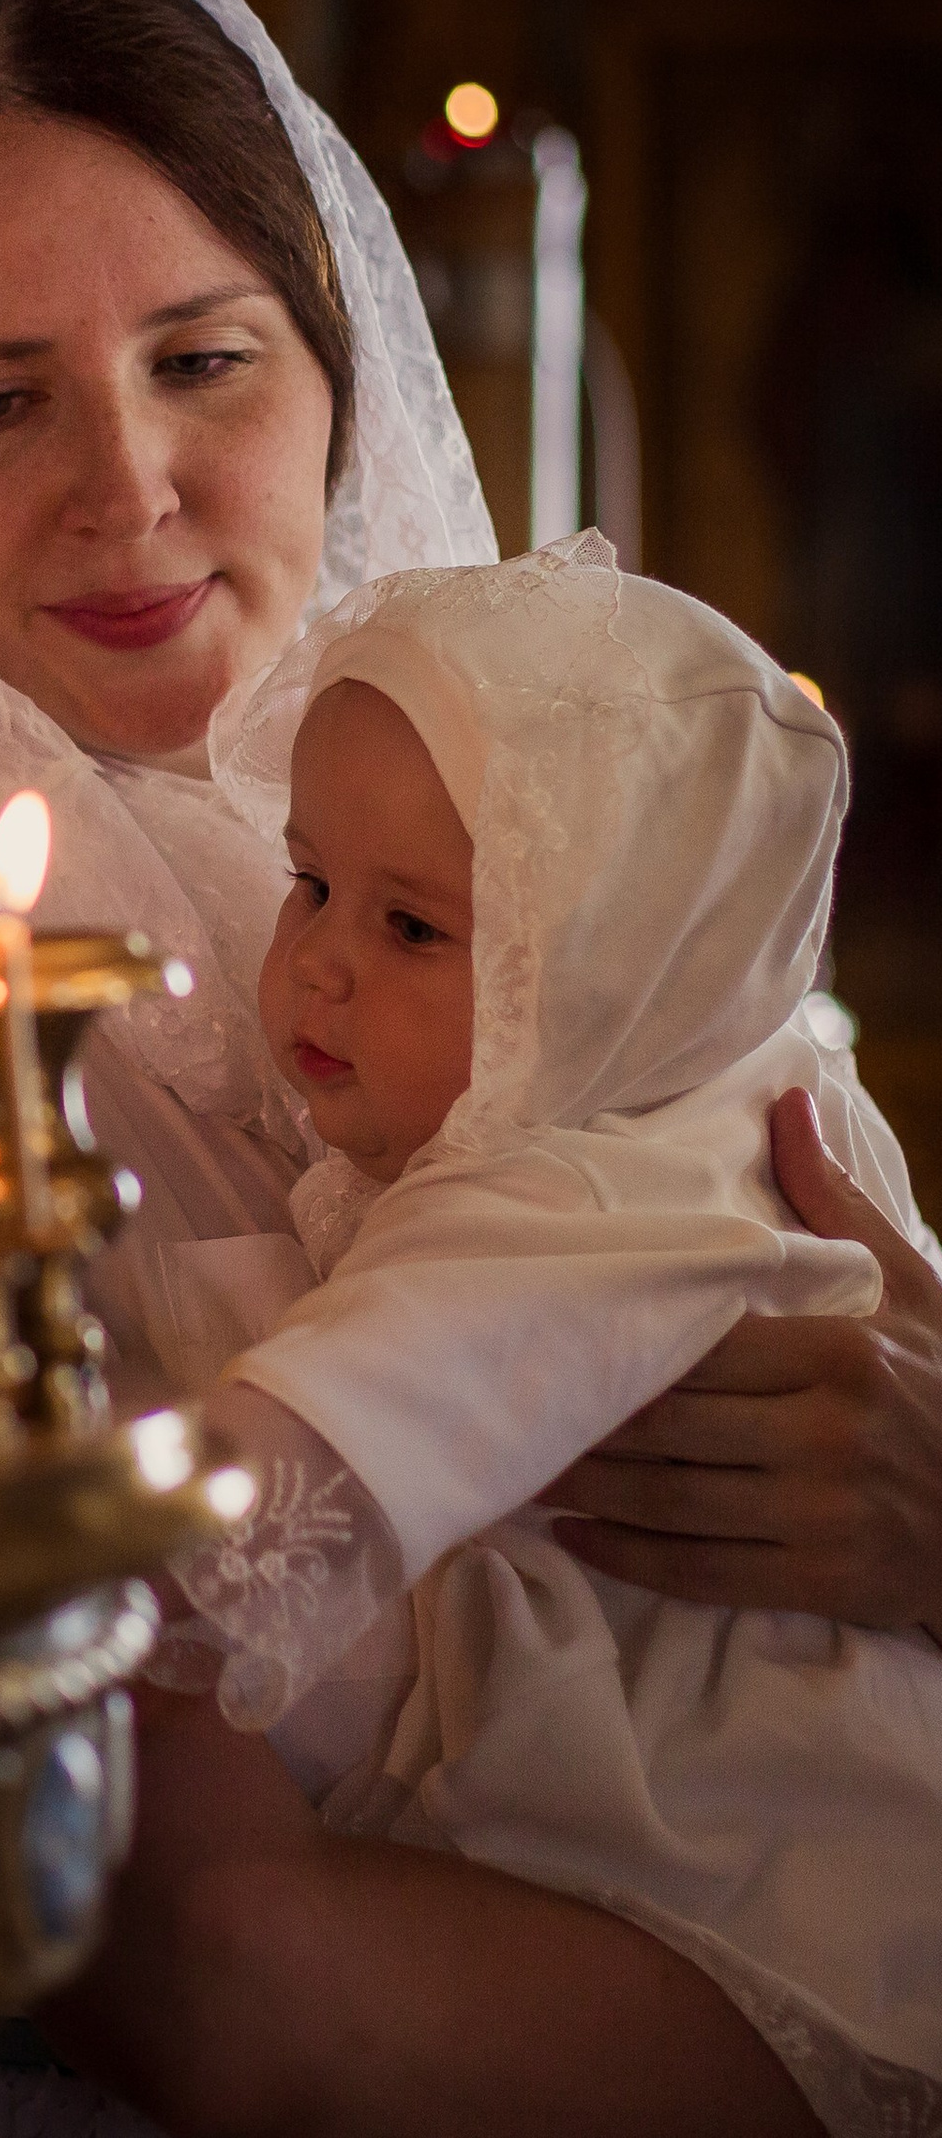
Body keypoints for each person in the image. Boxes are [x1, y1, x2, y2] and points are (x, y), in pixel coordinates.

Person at [0, 0, 942, 2130]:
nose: (127, 486)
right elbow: (219, 1985)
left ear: (339, 374)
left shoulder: (592, 890)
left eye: (203, 358)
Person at [169, 537, 939, 2127]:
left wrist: (59, 1573)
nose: (316, 959)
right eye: (309, 883)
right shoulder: (766, 1082)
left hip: (734, 1867)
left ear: (599, 967)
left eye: (413, 928)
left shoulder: (554, 1200)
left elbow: (317, 1464)